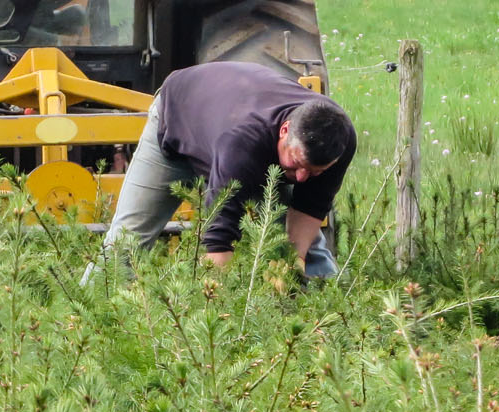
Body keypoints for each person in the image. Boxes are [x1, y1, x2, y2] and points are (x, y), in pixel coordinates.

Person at [86, 61, 356, 282]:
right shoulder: (242, 147)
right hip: (176, 123)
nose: (300, 179)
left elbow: (309, 209)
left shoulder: (337, 139)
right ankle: (79, 317)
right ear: (284, 131)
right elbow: (218, 243)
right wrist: (221, 317)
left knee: (309, 251)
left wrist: (291, 266)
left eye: (314, 172)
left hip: (233, 126)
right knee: (127, 241)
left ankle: (329, 319)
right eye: (296, 164)